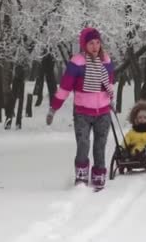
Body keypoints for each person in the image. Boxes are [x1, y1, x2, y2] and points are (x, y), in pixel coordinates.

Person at [46, 27, 114, 190]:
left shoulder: (106, 61)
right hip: (83, 112)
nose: (95, 46)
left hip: (103, 112)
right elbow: (64, 88)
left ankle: (98, 173)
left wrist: (112, 100)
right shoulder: (76, 63)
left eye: (97, 42)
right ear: (84, 45)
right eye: (91, 43)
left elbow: (110, 84)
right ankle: (82, 173)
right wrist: (53, 109)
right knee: (83, 144)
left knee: (100, 144)